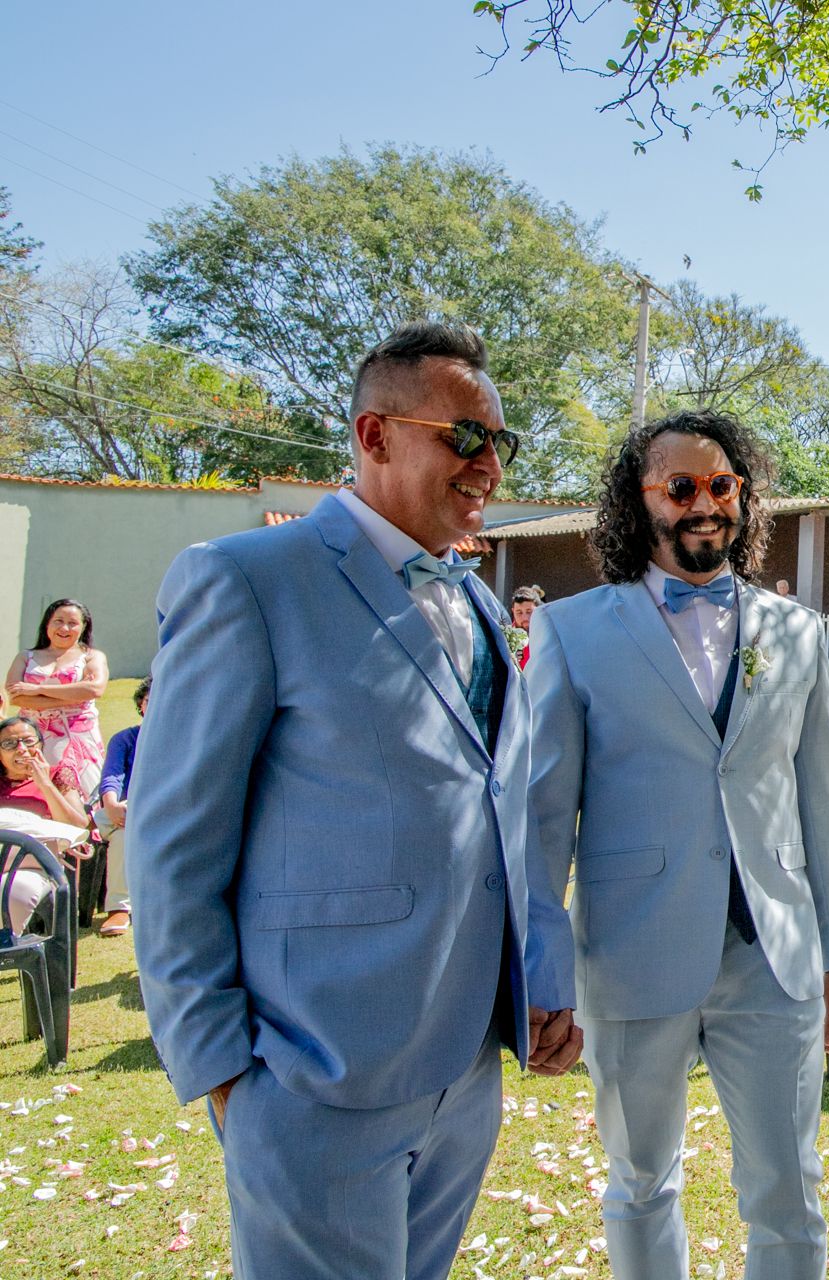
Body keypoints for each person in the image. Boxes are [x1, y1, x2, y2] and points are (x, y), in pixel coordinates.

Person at [128, 321, 580, 1280]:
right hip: (313, 1072)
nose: (487, 463)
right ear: (374, 436)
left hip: (464, 1069)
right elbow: (174, 842)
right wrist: (218, 1065)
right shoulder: (246, 581)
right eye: (464, 435)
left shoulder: (480, 604)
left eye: (500, 441)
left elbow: (508, 815)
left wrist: (541, 975)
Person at [526, 408, 829, 1280]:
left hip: (776, 956)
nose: (704, 505)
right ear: (639, 504)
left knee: (790, 1191)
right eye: (681, 487)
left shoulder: (795, 631)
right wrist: (541, 973)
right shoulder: (574, 629)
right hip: (632, 952)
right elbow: (541, 817)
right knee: (640, 1182)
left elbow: (821, 806)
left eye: (723, 485)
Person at [5, 598, 108, 795]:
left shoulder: (92, 656)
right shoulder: (26, 657)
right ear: (47, 623)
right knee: (36, 791)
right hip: (34, 736)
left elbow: (95, 690)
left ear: (84, 626)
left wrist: (36, 689)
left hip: (79, 735)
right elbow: (15, 695)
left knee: (86, 792)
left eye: (73, 623)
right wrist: (76, 694)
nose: (65, 628)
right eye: (58, 621)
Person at [0, 715, 88, 933]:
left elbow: (77, 827)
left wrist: (44, 784)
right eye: (9, 744)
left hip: (33, 865)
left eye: (28, 741)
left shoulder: (58, 775)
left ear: (40, 744)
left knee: (13, 891)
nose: (21, 749)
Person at [91, 675, 149, 937]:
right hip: (126, 811)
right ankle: (119, 909)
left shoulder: (182, 739)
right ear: (140, 704)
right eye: (150, 699)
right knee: (124, 831)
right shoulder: (125, 739)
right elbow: (112, 776)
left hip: (163, 810)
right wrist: (111, 804)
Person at [507, 585, 545, 669]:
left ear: (538, 610)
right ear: (513, 611)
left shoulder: (548, 634)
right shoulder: (504, 639)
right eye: (519, 612)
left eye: (529, 612)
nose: (525, 618)